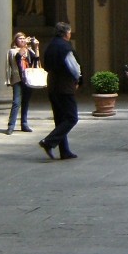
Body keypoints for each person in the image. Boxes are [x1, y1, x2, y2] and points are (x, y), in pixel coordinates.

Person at [39, 22, 82, 160]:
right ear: (66, 33)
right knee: (71, 117)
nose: (70, 34)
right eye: (69, 32)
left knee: (60, 118)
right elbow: (74, 67)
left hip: (52, 85)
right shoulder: (65, 47)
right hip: (65, 86)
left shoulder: (50, 46)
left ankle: (65, 151)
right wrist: (78, 79)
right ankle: (49, 142)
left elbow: (45, 66)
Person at [5, 32, 39, 135]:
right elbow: (18, 57)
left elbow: (36, 59)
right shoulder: (12, 51)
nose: (22, 40)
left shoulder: (29, 50)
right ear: (15, 40)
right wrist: (25, 46)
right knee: (16, 102)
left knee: (26, 102)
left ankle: (24, 124)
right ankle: (11, 125)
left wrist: (36, 47)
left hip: (28, 79)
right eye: (20, 38)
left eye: (24, 38)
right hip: (18, 79)